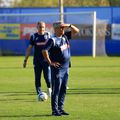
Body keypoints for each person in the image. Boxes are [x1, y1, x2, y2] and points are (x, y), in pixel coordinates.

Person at [42, 21, 79, 116]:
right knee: (56, 90)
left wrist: (69, 25)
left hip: (66, 68)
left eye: (63, 27)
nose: (63, 29)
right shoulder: (52, 40)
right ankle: (54, 110)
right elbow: (44, 50)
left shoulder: (65, 36)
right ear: (55, 29)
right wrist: (50, 62)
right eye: (61, 28)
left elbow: (77, 31)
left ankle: (60, 108)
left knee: (63, 89)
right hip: (58, 69)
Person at [23, 21, 52, 99]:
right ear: (37, 27)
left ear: (45, 27)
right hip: (37, 61)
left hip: (46, 61)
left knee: (47, 77)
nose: (41, 28)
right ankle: (39, 94)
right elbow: (29, 49)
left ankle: (49, 88)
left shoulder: (48, 35)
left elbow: (53, 47)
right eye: (40, 27)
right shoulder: (34, 36)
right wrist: (25, 60)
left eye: (43, 27)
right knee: (37, 78)